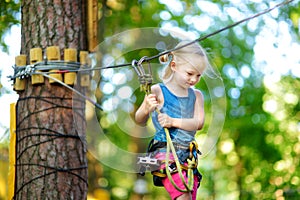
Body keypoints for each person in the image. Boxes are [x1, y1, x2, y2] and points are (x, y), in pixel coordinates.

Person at [135, 41, 209, 200]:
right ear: (174, 66)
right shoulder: (158, 90)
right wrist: (146, 108)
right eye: (189, 74)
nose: (194, 79)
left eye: (198, 75)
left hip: (188, 156)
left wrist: (173, 121)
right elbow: (139, 119)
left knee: (190, 196)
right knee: (183, 195)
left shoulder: (197, 96)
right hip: (164, 151)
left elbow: (199, 123)